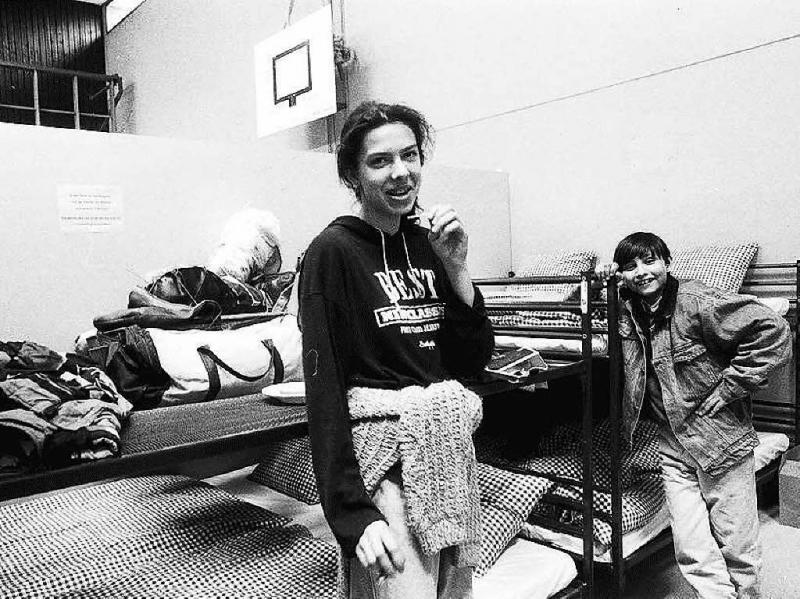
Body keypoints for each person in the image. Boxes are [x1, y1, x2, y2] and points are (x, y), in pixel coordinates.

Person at [298, 101, 494, 598]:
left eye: (410, 155)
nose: (401, 172)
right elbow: (325, 396)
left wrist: (457, 268)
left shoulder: (431, 243)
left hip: (445, 456)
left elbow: (472, 360)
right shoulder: (332, 253)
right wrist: (352, 514)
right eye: (380, 161)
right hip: (385, 463)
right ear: (353, 174)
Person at [596, 232, 791, 599]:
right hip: (672, 443)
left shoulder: (696, 300)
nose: (641, 272)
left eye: (649, 261)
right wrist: (604, 280)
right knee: (691, 544)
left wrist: (731, 386)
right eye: (630, 266)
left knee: (737, 542)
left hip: (720, 439)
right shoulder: (626, 308)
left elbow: (773, 329)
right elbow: (592, 302)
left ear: (666, 262)